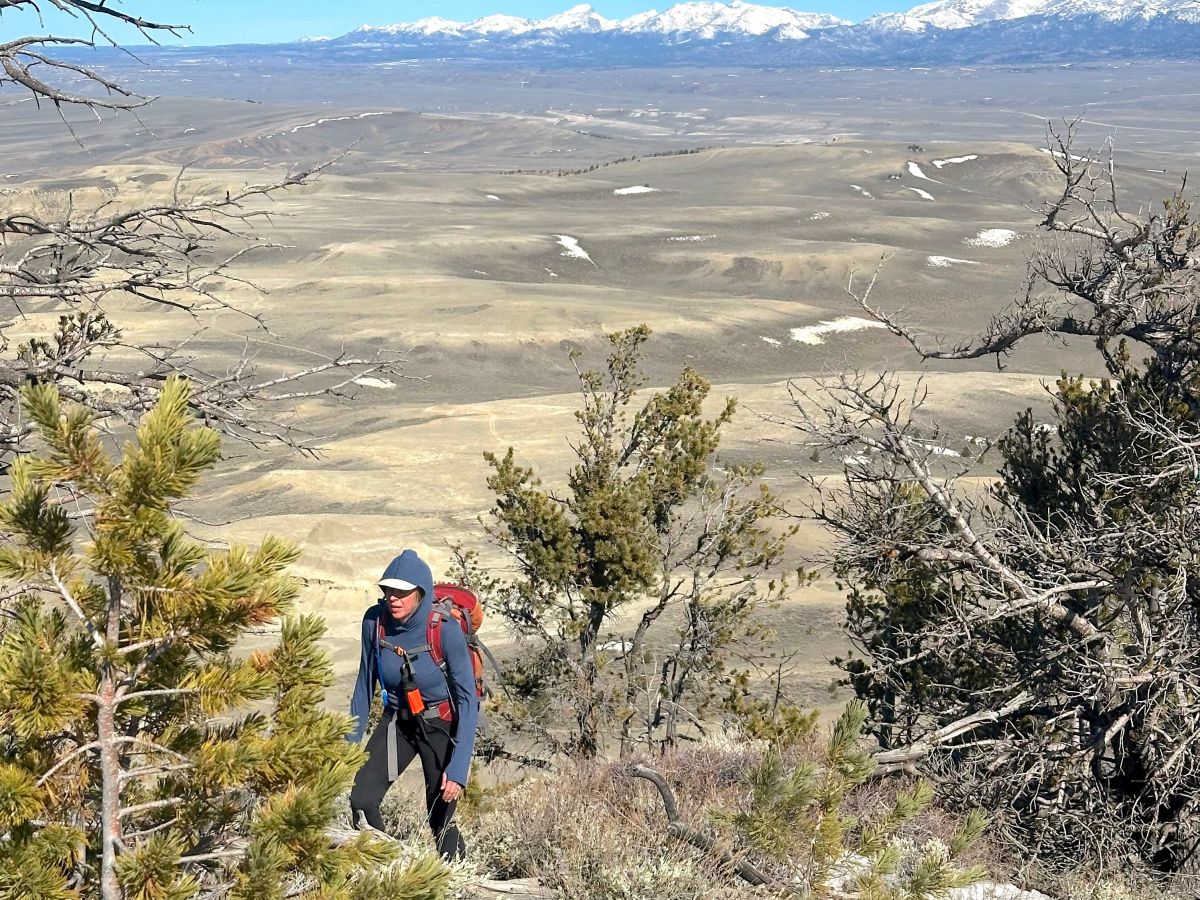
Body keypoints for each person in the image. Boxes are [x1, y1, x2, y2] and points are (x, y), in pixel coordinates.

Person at [348, 549, 480, 859]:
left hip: (440, 725)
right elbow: (364, 686)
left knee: (440, 817)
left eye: (402, 592)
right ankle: (386, 869)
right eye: (388, 590)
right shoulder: (374, 623)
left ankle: (458, 878)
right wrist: (345, 748)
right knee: (362, 802)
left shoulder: (444, 630)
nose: (393, 598)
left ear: (420, 592)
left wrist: (458, 769)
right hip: (398, 721)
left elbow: (467, 700)